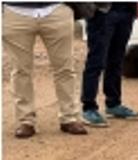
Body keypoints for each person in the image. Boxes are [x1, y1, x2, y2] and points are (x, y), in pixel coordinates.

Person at [2, 1, 88, 138]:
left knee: (65, 68)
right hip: (14, 11)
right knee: (20, 70)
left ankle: (69, 117)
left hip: (56, 9)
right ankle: (25, 120)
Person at [80, 2, 138, 127]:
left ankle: (113, 104)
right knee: (96, 62)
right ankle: (89, 107)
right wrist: (90, 10)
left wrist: (132, 12)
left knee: (116, 60)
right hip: (102, 13)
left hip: (125, 11)